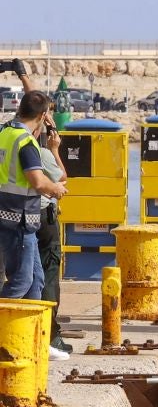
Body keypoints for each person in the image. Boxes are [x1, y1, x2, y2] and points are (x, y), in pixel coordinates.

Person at [0, 91, 67, 300]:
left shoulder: (5, 133)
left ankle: (30, 332)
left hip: (10, 216)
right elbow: (38, 181)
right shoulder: (27, 143)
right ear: (42, 116)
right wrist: (55, 189)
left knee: (36, 280)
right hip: (19, 220)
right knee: (21, 282)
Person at [36, 122, 70, 358]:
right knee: (48, 274)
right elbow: (61, 177)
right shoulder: (41, 152)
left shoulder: (6, 139)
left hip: (14, 217)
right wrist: (55, 149)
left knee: (26, 275)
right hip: (43, 217)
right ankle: (51, 335)